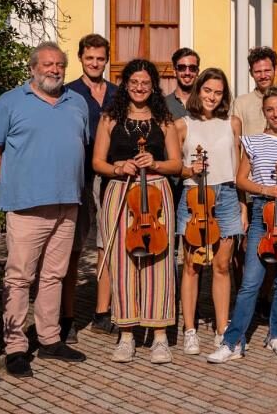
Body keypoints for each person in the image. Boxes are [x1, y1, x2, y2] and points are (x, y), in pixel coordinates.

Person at [0, 42, 89, 377]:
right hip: (26, 207)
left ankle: (50, 338)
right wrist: (14, 184)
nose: (54, 70)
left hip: (66, 203)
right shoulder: (11, 102)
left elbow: (77, 147)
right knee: (19, 277)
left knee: (54, 275)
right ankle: (15, 347)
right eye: (47, 64)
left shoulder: (77, 102)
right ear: (32, 68)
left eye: (59, 64)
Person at [208, 87, 277, 362]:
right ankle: (233, 341)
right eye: (270, 109)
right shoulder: (253, 141)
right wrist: (266, 190)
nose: (276, 114)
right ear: (263, 112)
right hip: (262, 214)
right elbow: (241, 179)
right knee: (251, 281)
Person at [90, 59, 183, 364]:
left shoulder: (165, 119)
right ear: (126, 85)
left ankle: (158, 336)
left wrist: (154, 163)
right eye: (134, 83)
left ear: (153, 86)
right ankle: (127, 333)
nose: (140, 88)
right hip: (120, 191)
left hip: (157, 194)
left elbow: (176, 165)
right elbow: (98, 163)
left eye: (145, 83)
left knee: (159, 260)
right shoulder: (109, 118)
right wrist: (119, 166)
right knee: (121, 263)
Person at [174, 68, 246, 356]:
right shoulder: (182, 124)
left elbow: (239, 165)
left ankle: (221, 329)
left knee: (221, 265)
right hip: (194, 195)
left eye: (218, 92)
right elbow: (173, 166)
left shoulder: (233, 122)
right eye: (207, 90)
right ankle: (190, 329)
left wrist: (242, 204)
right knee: (192, 266)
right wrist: (190, 169)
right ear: (198, 90)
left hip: (227, 194)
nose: (212, 97)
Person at [61, 34, 119, 342]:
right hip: (77, 179)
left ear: (106, 60)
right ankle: (66, 318)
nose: (95, 63)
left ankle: (102, 313)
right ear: (81, 58)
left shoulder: (116, 94)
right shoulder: (67, 93)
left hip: (109, 179)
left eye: (100, 58)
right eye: (90, 58)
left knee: (105, 247)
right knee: (72, 250)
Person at [165, 48, 200, 120]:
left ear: (197, 72)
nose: (187, 73)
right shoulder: (163, 105)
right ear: (174, 71)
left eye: (192, 68)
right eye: (182, 68)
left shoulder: (206, 104)